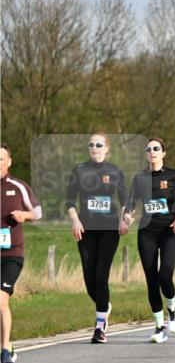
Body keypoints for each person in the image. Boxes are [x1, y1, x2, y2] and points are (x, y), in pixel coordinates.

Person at [121, 138, 175, 344]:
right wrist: (127, 215)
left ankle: (172, 307)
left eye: (156, 149)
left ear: (163, 153)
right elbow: (130, 202)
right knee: (151, 279)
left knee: (165, 275)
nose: (152, 152)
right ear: (146, 154)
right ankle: (159, 326)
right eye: (149, 149)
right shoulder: (139, 177)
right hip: (147, 232)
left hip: (171, 230)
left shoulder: (174, 175)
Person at [66, 133, 128, 344]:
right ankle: (104, 305)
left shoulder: (115, 171)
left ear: (106, 149)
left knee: (101, 276)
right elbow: (69, 201)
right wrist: (75, 220)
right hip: (86, 230)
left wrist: (125, 219)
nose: (94, 147)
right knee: (90, 281)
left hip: (109, 230)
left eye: (99, 144)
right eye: (91, 144)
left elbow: (125, 200)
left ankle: (99, 327)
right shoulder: (79, 170)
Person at [1, 144, 42, 363]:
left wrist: (23, 215)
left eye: (0, 159)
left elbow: (39, 213)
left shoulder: (18, 187)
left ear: (9, 161)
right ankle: (6, 346)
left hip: (11, 254)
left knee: (0, 300)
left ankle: (5, 351)